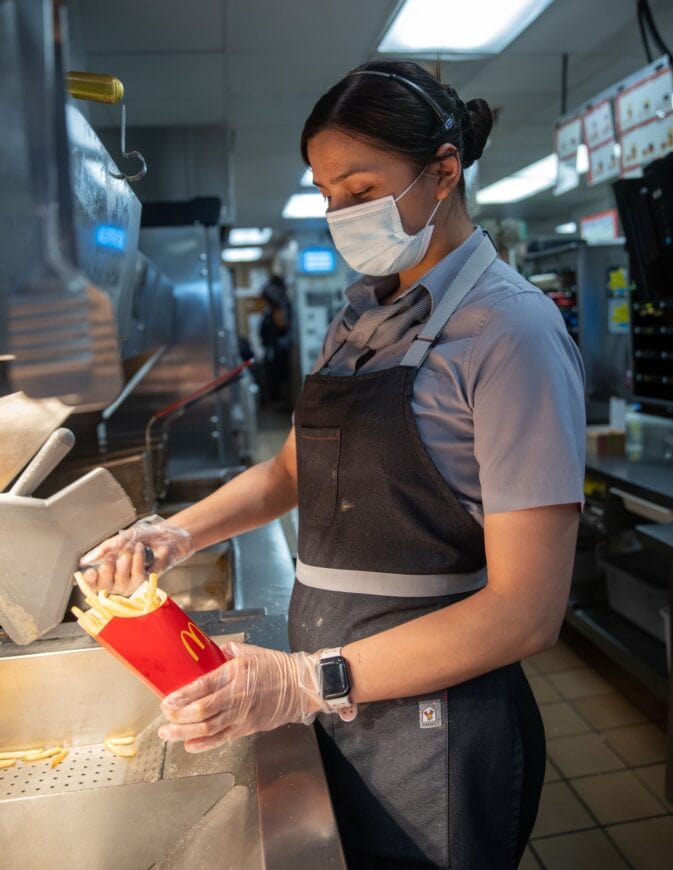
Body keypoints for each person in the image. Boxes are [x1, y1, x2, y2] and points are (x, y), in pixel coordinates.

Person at [81, 60, 586, 869]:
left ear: (444, 171)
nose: (337, 214)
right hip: (340, 693)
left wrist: (306, 680)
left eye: (359, 189)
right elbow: (289, 473)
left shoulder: (511, 334)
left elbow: (527, 611)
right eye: (325, 194)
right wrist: (171, 534)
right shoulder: (361, 316)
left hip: (436, 728)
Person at [259, 274, 292, 405]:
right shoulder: (275, 305)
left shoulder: (281, 305)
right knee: (273, 375)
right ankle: (277, 399)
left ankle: (280, 399)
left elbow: (282, 324)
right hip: (272, 345)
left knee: (278, 375)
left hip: (278, 347)